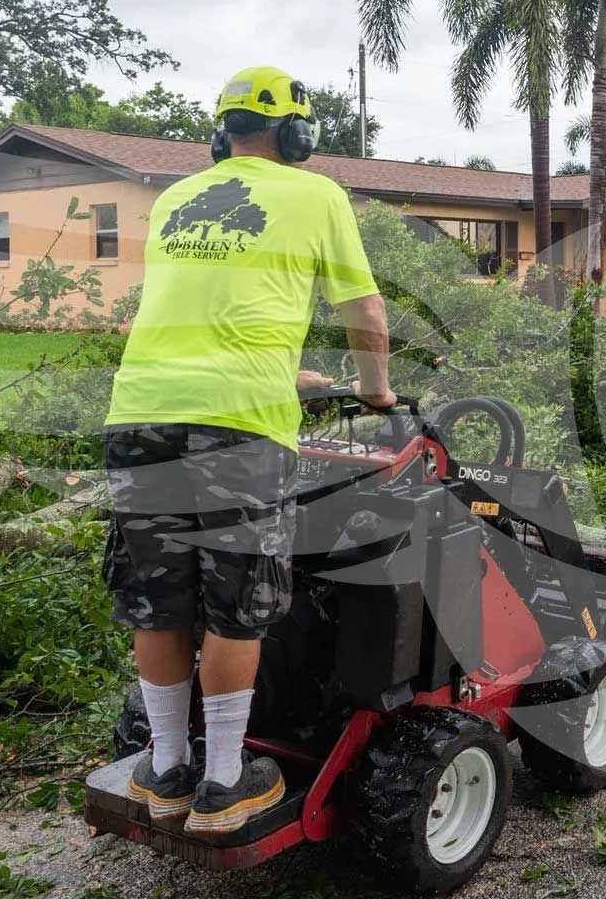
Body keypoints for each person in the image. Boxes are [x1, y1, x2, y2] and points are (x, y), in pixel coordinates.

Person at [103, 66, 393, 834]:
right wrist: (374, 391)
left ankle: (166, 767)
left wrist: (281, 367)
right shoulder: (318, 193)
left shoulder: (174, 200)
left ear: (220, 133)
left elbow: (209, 310)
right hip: (236, 426)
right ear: (298, 135)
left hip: (138, 416)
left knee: (156, 594)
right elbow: (363, 307)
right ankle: (227, 782)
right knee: (238, 601)